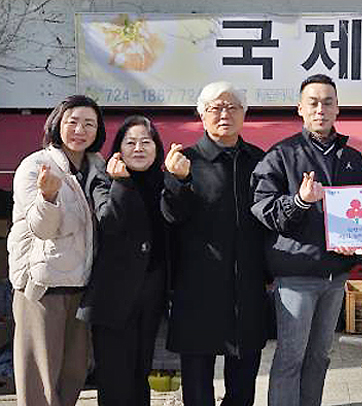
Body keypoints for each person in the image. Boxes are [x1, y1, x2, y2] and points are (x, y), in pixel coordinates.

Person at [251, 73, 362, 406]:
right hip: (296, 274)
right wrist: (300, 201)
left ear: (337, 109)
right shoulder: (282, 154)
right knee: (291, 356)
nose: (321, 109)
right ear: (300, 109)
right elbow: (263, 208)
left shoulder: (351, 158)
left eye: (328, 103)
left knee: (320, 356)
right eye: (313, 103)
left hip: (336, 274)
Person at [161, 81, 268, 406]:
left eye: (233, 107)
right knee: (197, 383)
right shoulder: (185, 160)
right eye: (216, 108)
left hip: (247, 286)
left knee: (244, 382)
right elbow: (170, 216)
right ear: (202, 115)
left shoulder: (259, 160)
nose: (225, 114)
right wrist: (178, 181)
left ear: (244, 114)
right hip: (197, 287)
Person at [7, 94, 107, 406]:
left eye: (89, 124)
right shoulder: (35, 165)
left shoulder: (98, 166)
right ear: (56, 125)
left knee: (73, 374)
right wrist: (48, 198)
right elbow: (42, 229)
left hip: (82, 286)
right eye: (72, 122)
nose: (80, 130)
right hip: (42, 287)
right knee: (40, 382)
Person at [78, 115, 168, 406]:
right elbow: (109, 222)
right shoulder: (103, 179)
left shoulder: (165, 182)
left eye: (146, 142)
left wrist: (182, 182)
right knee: (115, 378)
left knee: (141, 373)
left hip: (152, 293)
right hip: (113, 296)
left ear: (157, 148)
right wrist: (122, 183)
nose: (138, 148)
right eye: (130, 143)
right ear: (119, 149)